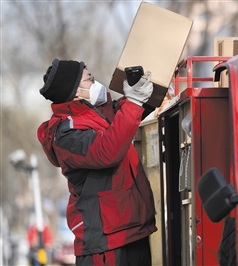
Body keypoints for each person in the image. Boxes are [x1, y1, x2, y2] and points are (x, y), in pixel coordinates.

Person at [37, 59, 157, 266]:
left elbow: (129, 113)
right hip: (104, 243)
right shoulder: (66, 135)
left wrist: (149, 90)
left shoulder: (99, 115)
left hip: (130, 230)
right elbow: (108, 151)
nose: (95, 82)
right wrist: (135, 102)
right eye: (90, 79)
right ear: (76, 91)